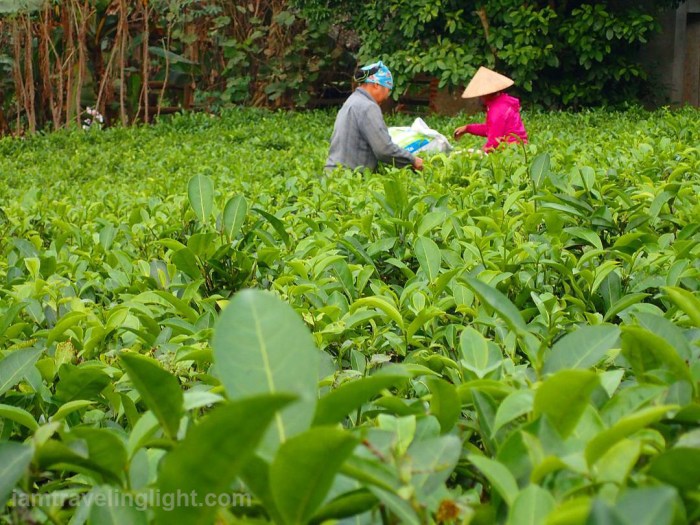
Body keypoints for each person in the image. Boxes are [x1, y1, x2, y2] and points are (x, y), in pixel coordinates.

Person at [325, 61, 424, 173]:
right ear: (376, 85)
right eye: (387, 90)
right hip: (350, 178)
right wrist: (412, 160)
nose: (387, 96)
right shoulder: (368, 107)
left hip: (333, 175)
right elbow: (384, 149)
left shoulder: (351, 102)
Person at [453, 66, 528, 152]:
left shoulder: (497, 110)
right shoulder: (502, 101)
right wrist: (468, 128)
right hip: (519, 148)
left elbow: (493, 143)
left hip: (512, 151)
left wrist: (481, 152)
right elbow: (491, 129)